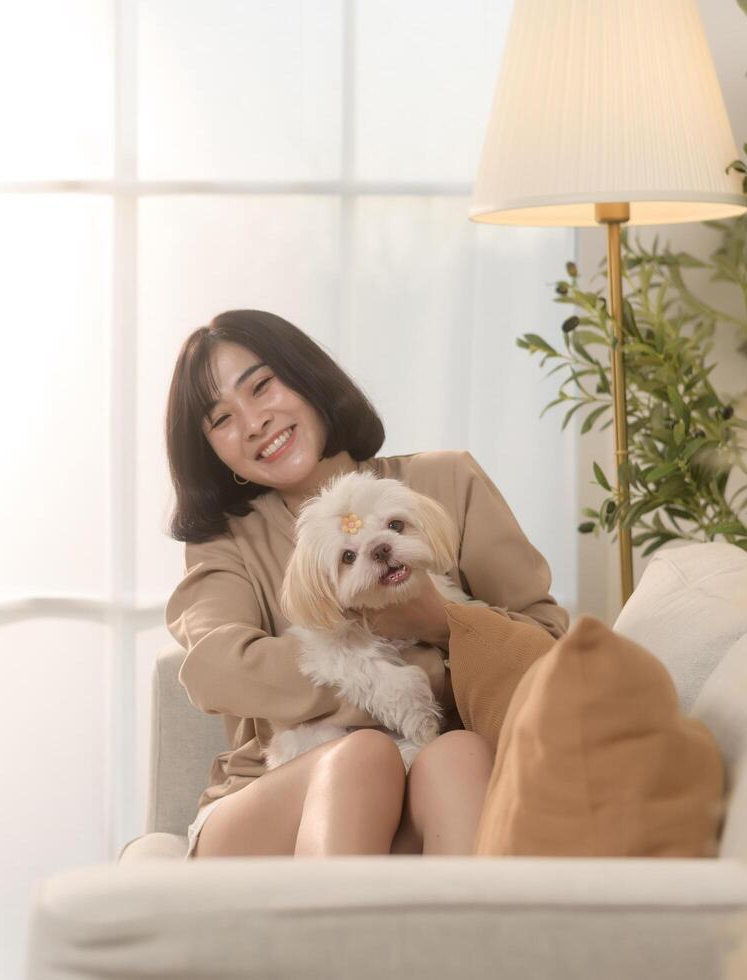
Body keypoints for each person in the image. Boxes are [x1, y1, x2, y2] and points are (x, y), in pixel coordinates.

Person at [164, 309, 569, 858]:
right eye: (222, 420)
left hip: (432, 776)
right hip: (271, 798)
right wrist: (397, 679)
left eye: (261, 386)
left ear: (306, 377)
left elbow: (546, 649)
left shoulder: (447, 481)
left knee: (460, 754)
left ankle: (472, 937)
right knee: (363, 758)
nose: (255, 421)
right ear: (214, 451)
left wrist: (437, 621)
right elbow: (214, 668)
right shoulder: (226, 541)